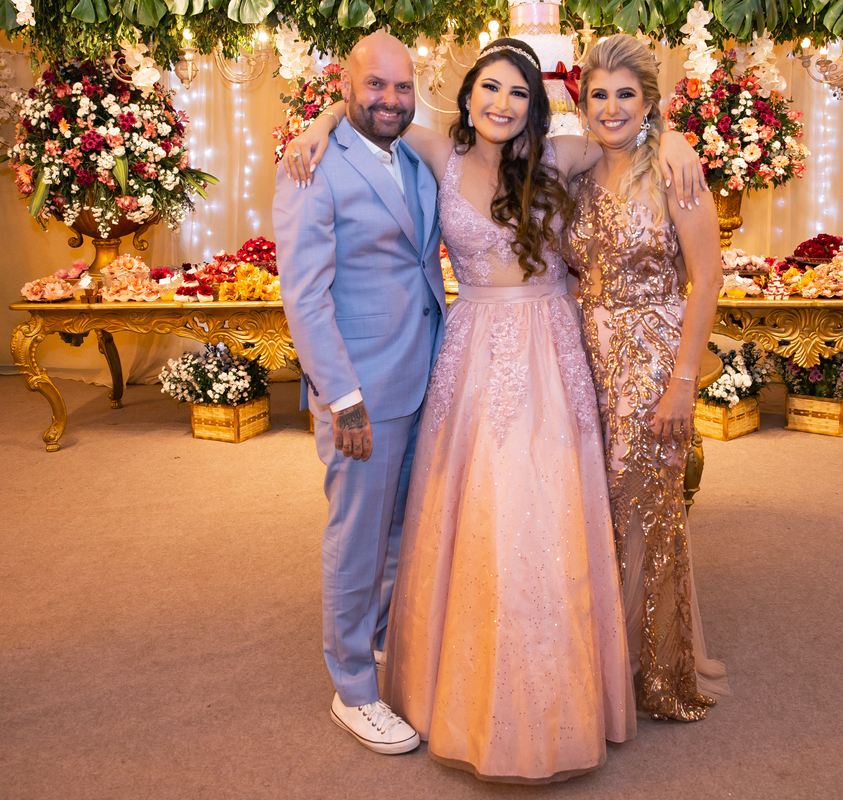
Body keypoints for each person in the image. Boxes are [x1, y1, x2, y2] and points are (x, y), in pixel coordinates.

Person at [284, 38, 705, 781]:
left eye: (517, 92)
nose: (501, 104)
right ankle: (427, 680)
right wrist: (317, 122)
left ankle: (558, 690)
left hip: (552, 345)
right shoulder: (437, 151)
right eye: (489, 88)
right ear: (467, 93)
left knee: (550, 509)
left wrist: (670, 136)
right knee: (471, 508)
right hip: (471, 346)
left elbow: (622, 129)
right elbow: (369, 113)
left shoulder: (557, 157)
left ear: (534, 103)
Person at [272, 31, 444, 756]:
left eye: (403, 88)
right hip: (363, 395)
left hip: (429, 375)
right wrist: (341, 398)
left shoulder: (416, 154)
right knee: (356, 539)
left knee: (405, 534)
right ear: (346, 84)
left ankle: (379, 644)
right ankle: (351, 688)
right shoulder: (312, 166)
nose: (391, 100)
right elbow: (305, 297)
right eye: (377, 86)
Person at [561, 34, 728, 721]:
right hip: (583, 353)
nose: (611, 107)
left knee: (649, 514)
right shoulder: (574, 171)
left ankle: (657, 671)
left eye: (625, 94)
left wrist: (683, 380)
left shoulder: (671, 169)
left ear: (648, 102)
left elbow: (708, 277)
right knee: (596, 510)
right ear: (583, 101)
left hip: (653, 355)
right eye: (599, 94)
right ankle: (602, 662)